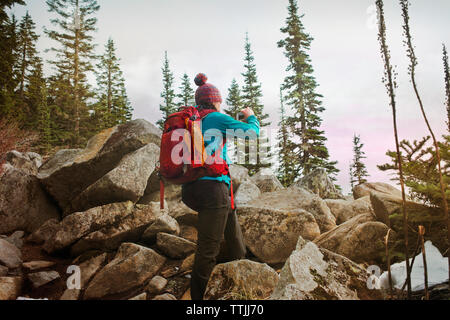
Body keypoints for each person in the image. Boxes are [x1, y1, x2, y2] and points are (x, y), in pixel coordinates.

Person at [181, 73, 260, 300]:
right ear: (214, 100)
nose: (220, 103)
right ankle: (198, 301)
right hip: (213, 189)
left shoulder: (193, 120)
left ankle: (242, 267)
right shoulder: (216, 117)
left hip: (193, 187)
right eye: (219, 100)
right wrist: (251, 117)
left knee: (231, 225)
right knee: (208, 249)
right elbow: (251, 133)